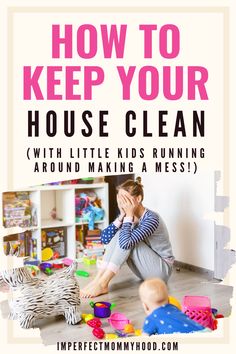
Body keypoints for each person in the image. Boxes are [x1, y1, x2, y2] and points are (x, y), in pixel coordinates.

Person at [81, 177, 174, 298]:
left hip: (161, 271)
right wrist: (122, 217)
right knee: (119, 233)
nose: (122, 203)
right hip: (144, 270)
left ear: (138, 199)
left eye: (125, 200)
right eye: (120, 199)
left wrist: (128, 216)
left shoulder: (152, 218)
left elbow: (125, 244)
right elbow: (104, 239)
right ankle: (98, 279)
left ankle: (103, 283)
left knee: (125, 237)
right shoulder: (128, 217)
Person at [139, 278, 206, 335]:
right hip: (204, 332)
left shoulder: (151, 319)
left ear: (145, 306)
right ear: (168, 300)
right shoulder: (174, 308)